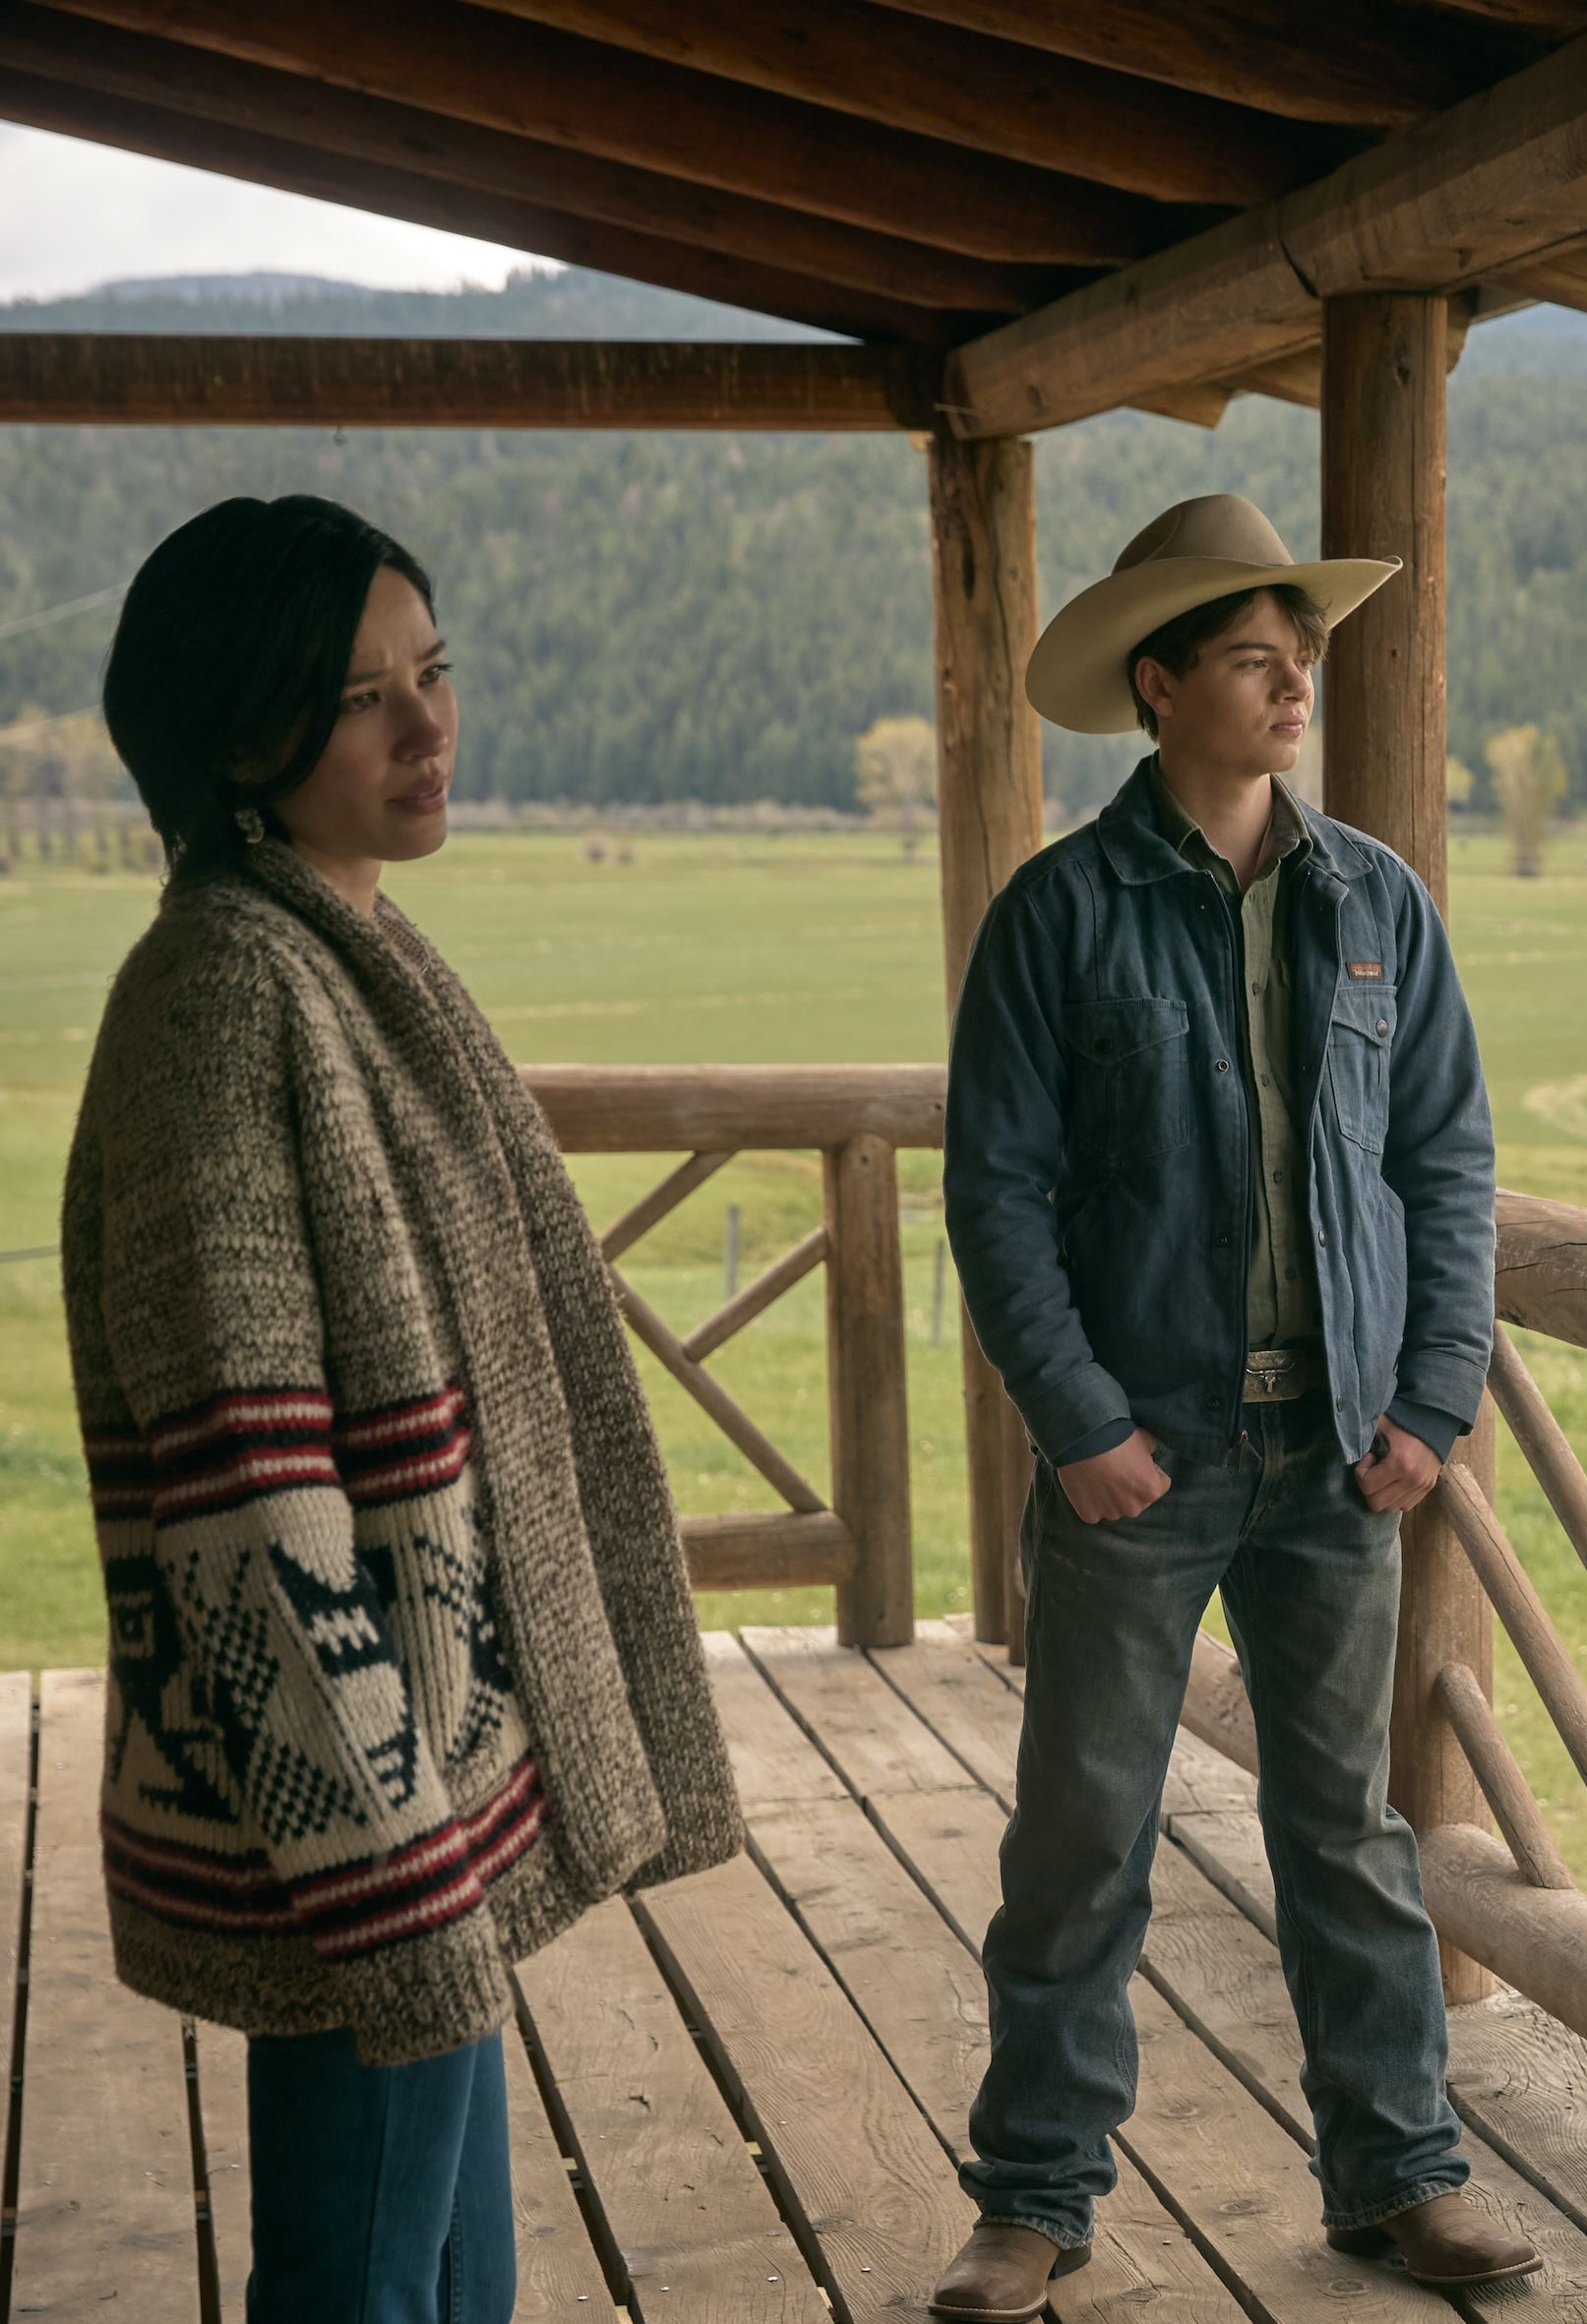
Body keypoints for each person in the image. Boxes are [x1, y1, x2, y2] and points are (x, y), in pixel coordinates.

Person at [62, 494, 742, 2319]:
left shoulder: (337, 948)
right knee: (365, 2295)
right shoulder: (224, 998)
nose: (426, 728)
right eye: (362, 698)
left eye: (433, 672)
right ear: (235, 738)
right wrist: (391, 1870)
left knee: (448, 2291)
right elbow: (248, 1508)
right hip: (361, 1834)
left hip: (421, 1796)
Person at [934, 493, 1528, 2317]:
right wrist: (1077, 1419)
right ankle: (1035, 2196)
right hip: (1147, 1455)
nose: (1295, 685)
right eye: (1258, 657)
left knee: (1348, 1828)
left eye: (1305, 655)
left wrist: (1431, 1398)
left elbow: (1448, 1162)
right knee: (1080, 1833)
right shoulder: (1059, 913)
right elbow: (997, 1189)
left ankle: (1398, 2174)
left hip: (1338, 1454)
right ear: (1160, 679)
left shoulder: (1377, 904)